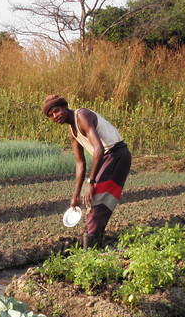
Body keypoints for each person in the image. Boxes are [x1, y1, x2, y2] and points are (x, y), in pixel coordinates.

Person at [43, 94, 132, 249]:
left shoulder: (82, 116)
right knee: (94, 204)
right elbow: (80, 164)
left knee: (97, 202)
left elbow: (98, 149)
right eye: (51, 115)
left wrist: (90, 182)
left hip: (116, 154)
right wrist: (75, 196)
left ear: (65, 107)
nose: (55, 116)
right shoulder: (72, 131)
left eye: (56, 111)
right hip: (109, 157)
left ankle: (89, 254)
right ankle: (95, 249)